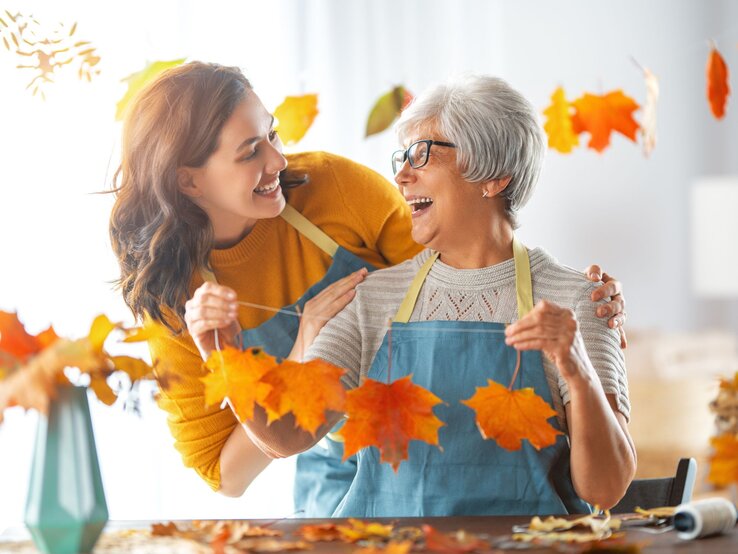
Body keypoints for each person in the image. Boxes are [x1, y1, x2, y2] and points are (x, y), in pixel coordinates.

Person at [109, 62, 628, 518]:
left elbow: (462, 252)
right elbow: (274, 444)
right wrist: (224, 351)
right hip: (362, 516)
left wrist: (578, 350)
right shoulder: (369, 302)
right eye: (250, 152)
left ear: (491, 174)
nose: (401, 175)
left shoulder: (577, 301)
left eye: (421, 153)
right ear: (189, 182)